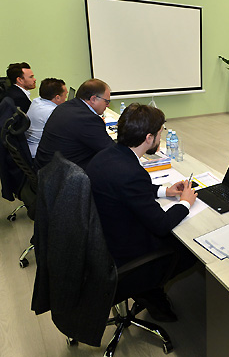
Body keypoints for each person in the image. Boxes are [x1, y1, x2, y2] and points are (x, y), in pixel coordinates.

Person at [86, 103, 198, 322]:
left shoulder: (108, 155)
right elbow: (161, 224)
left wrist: (165, 191)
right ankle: (148, 291)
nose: (160, 138)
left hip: (103, 237)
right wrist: (185, 202)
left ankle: (148, 290)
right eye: (160, 133)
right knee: (187, 250)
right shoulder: (131, 172)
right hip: (123, 253)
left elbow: (126, 190)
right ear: (149, 138)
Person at [34, 78, 114, 171]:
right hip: (61, 174)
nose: (108, 105)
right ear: (93, 99)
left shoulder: (65, 106)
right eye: (106, 101)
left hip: (45, 166)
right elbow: (110, 149)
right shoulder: (87, 119)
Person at [25, 78, 68, 158]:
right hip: (41, 154)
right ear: (57, 97)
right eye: (65, 95)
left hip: (30, 147)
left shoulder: (37, 101)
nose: (66, 98)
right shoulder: (52, 112)